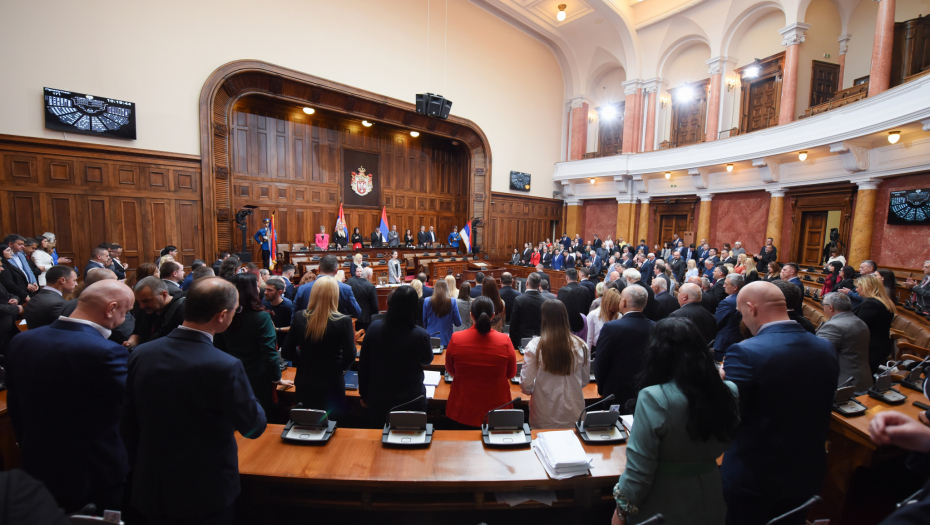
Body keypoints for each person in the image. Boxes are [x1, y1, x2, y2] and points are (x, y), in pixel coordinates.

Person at [122, 277, 267, 524]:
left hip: (150, 483)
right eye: (235, 310)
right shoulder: (224, 366)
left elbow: (128, 421)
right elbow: (254, 426)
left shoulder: (141, 354)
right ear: (222, 315)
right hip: (204, 489)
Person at [7, 280, 135, 513]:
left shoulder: (23, 341)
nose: (124, 319)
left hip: (37, 464)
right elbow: (129, 408)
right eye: (126, 312)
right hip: (93, 472)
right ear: (111, 309)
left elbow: (15, 407)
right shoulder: (106, 351)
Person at [721, 281, 838, 525]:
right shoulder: (825, 348)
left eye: (742, 313)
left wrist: (720, 386)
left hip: (755, 473)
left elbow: (727, 416)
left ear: (751, 309)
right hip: (807, 469)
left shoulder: (745, 352)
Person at [611, 317, 740, 525]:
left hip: (663, 501)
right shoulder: (729, 391)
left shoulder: (653, 397)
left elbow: (639, 470)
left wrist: (622, 510)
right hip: (712, 492)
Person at [359, 286, 433, 426]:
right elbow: (427, 360)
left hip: (379, 398)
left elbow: (364, 364)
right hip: (411, 399)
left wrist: (363, 393)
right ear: (414, 307)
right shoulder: (421, 334)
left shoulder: (374, 328)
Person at [283, 276, 356, 419]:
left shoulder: (299, 317)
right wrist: (338, 366)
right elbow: (350, 355)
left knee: (305, 423)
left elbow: (286, 351)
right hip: (332, 380)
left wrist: (303, 359)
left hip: (306, 379)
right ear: (335, 295)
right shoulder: (344, 321)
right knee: (333, 424)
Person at [214, 273, 280, 416]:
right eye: (257, 285)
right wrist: (277, 377)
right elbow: (268, 352)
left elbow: (218, 347)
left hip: (231, 375)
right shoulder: (261, 317)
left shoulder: (224, 315)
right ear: (252, 290)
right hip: (257, 378)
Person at [445, 297, 517, 428]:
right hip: (497, 409)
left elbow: (451, 370)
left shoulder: (456, 338)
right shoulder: (504, 341)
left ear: (471, 315)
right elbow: (511, 373)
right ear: (493, 315)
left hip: (463, 409)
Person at [520, 300, 589, 429]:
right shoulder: (581, 345)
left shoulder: (535, 345)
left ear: (544, 319)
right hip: (574, 413)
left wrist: (539, 390)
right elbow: (584, 381)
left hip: (544, 413)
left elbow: (526, 385)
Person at [593, 285, 656, 412]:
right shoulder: (656, 327)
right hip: (645, 390)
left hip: (616, 391)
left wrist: (602, 388)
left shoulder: (611, 328)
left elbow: (601, 362)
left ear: (624, 302)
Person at [817, 292, 873, 391]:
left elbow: (818, 353)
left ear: (831, 308)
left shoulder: (834, 326)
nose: (823, 308)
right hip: (862, 378)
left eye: (823, 305)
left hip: (844, 382)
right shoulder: (860, 322)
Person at [292, 255, 361, 322]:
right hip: (336, 330)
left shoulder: (302, 288)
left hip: (308, 331)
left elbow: (294, 316)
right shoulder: (345, 288)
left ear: (319, 269)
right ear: (337, 271)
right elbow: (357, 313)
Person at [852, 274, 896, 373]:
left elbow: (859, 325)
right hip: (879, 345)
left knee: (865, 376)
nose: (856, 290)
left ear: (866, 287)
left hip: (871, 347)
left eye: (858, 287)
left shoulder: (871, 303)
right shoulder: (882, 301)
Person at [126, 276, 185, 348]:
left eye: (146, 301)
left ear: (164, 295)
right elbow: (137, 333)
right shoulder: (143, 310)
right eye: (139, 302)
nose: (142, 306)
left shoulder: (182, 312)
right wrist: (129, 343)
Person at [23, 265, 77, 329]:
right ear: (62, 280)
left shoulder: (35, 298)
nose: (76, 284)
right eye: (74, 280)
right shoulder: (58, 304)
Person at [509, 272, 546, 348]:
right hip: (540, 340)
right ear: (539, 285)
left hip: (522, 340)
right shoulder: (546, 301)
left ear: (527, 283)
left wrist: (513, 343)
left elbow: (513, 324)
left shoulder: (519, 300)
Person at [714, 273, 745, 361]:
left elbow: (717, 322)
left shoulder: (727, 302)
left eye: (726, 284)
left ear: (735, 287)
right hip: (739, 339)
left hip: (724, 343)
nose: (724, 286)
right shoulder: (745, 297)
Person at [423, 279, 462, 346]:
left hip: (431, 337)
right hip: (447, 339)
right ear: (447, 289)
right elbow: (458, 323)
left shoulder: (427, 301)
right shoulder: (452, 301)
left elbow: (424, 322)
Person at [586, 288, 621, 357]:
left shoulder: (619, 316)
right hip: (596, 350)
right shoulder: (593, 315)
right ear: (606, 302)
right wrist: (587, 357)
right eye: (612, 304)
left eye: (616, 304)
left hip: (613, 351)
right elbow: (589, 339)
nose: (615, 307)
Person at [557, 268, 593, 334]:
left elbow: (559, 310)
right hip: (580, 324)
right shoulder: (585, 290)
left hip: (566, 325)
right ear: (577, 277)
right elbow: (587, 308)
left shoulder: (563, 291)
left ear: (567, 278)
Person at [263, 277, 293, 349]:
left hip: (282, 343)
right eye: (265, 289)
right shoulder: (265, 301)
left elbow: (293, 327)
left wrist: (276, 329)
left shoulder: (288, 306)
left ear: (279, 292)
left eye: (270, 290)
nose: (265, 292)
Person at [348, 266, 379, 330]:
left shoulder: (352, 284)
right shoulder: (371, 287)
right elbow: (374, 304)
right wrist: (376, 316)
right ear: (369, 276)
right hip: (367, 319)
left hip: (355, 316)